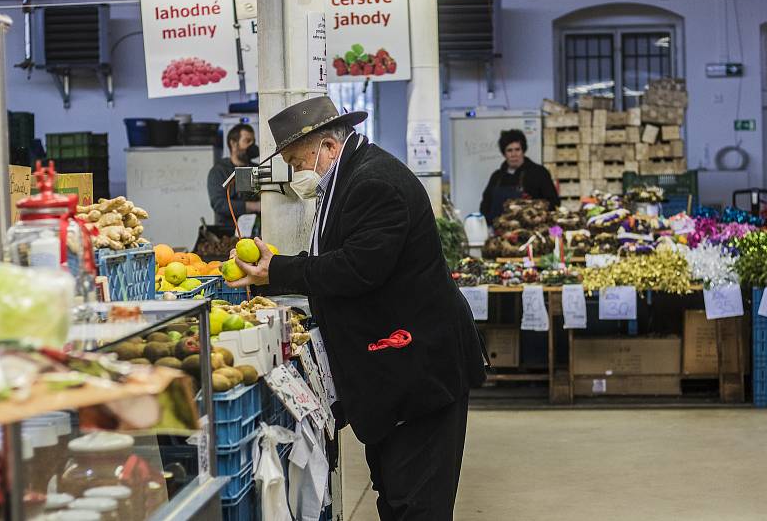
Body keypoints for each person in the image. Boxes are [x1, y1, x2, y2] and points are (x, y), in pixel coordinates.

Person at [226, 96, 487, 520]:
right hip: (394, 376)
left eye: (296, 162)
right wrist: (280, 271)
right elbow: (342, 256)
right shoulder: (347, 179)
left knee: (416, 503)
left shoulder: (373, 183)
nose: (295, 174)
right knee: (394, 491)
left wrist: (278, 270)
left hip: (420, 371)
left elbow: (358, 269)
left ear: (328, 147)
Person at [480, 129, 559, 225]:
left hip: (532, 232)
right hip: (499, 233)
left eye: (517, 149)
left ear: (523, 150)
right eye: (509, 150)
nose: (514, 154)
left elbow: (554, 202)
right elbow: (485, 206)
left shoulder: (539, 173)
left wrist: (538, 216)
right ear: (504, 154)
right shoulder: (496, 177)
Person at [207, 123, 261, 229]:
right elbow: (219, 204)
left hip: (256, 230)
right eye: (247, 141)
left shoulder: (257, 169)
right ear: (233, 143)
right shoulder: (218, 171)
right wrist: (255, 206)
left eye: (253, 142)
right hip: (228, 230)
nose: (252, 145)